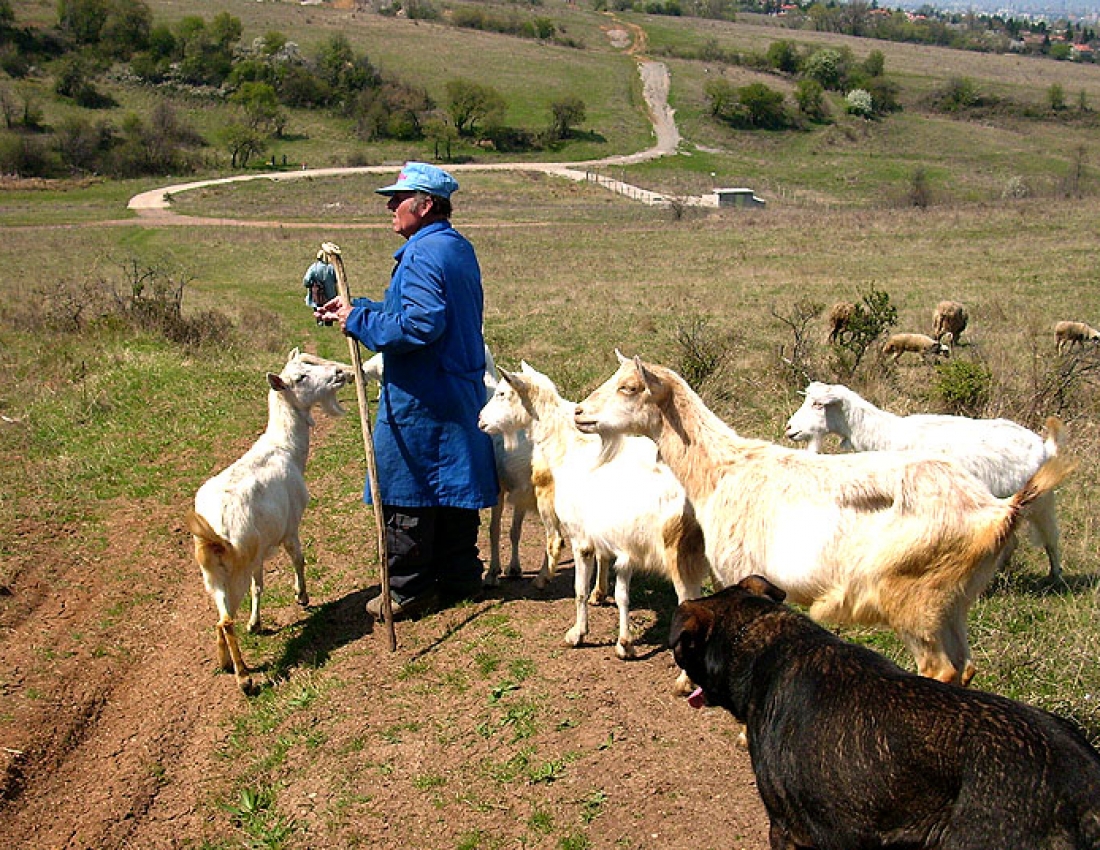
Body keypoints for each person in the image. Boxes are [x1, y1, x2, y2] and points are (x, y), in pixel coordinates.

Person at [315, 162, 498, 620]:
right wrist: (360, 308)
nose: (391, 208)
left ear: (426, 204)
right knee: (454, 486)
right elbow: (416, 310)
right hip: (459, 385)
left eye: (398, 199)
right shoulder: (456, 247)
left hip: (424, 394)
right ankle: (459, 579)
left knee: (408, 489)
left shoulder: (420, 255)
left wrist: (356, 322)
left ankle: (409, 589)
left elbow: (418, 325)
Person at [303, 250, 337, 326]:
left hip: (317, 294)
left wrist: (310, 285)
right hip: (330, 294)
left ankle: (320, 322)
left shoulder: (313, 267)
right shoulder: (331, 268)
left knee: (318, 306)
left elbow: (306, 280)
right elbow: (336, 279)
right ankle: (329, 323)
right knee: (329, 308)